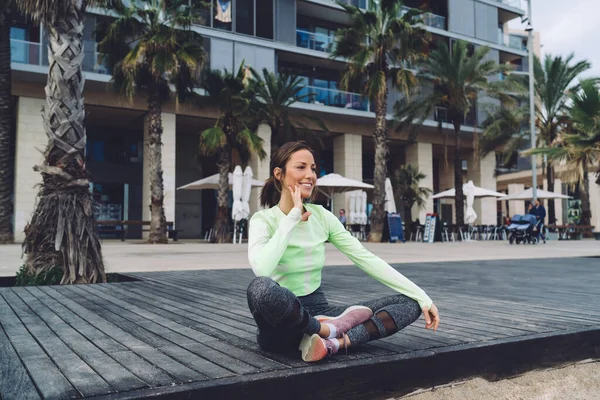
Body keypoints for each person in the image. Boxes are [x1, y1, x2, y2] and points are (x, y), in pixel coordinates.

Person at [246, 141, 440, 362]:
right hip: (280, 325)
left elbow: (366, 259)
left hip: (319, 309)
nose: (310, 174)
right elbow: (262, 268)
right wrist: (292, 218)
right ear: (279, 174)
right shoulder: (263, 220)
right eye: (301, 167)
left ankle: (333, 343)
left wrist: (423, 297)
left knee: (411, 303)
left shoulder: (322, 217)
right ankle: (324, 331)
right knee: (260, 288)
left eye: (313, 168)